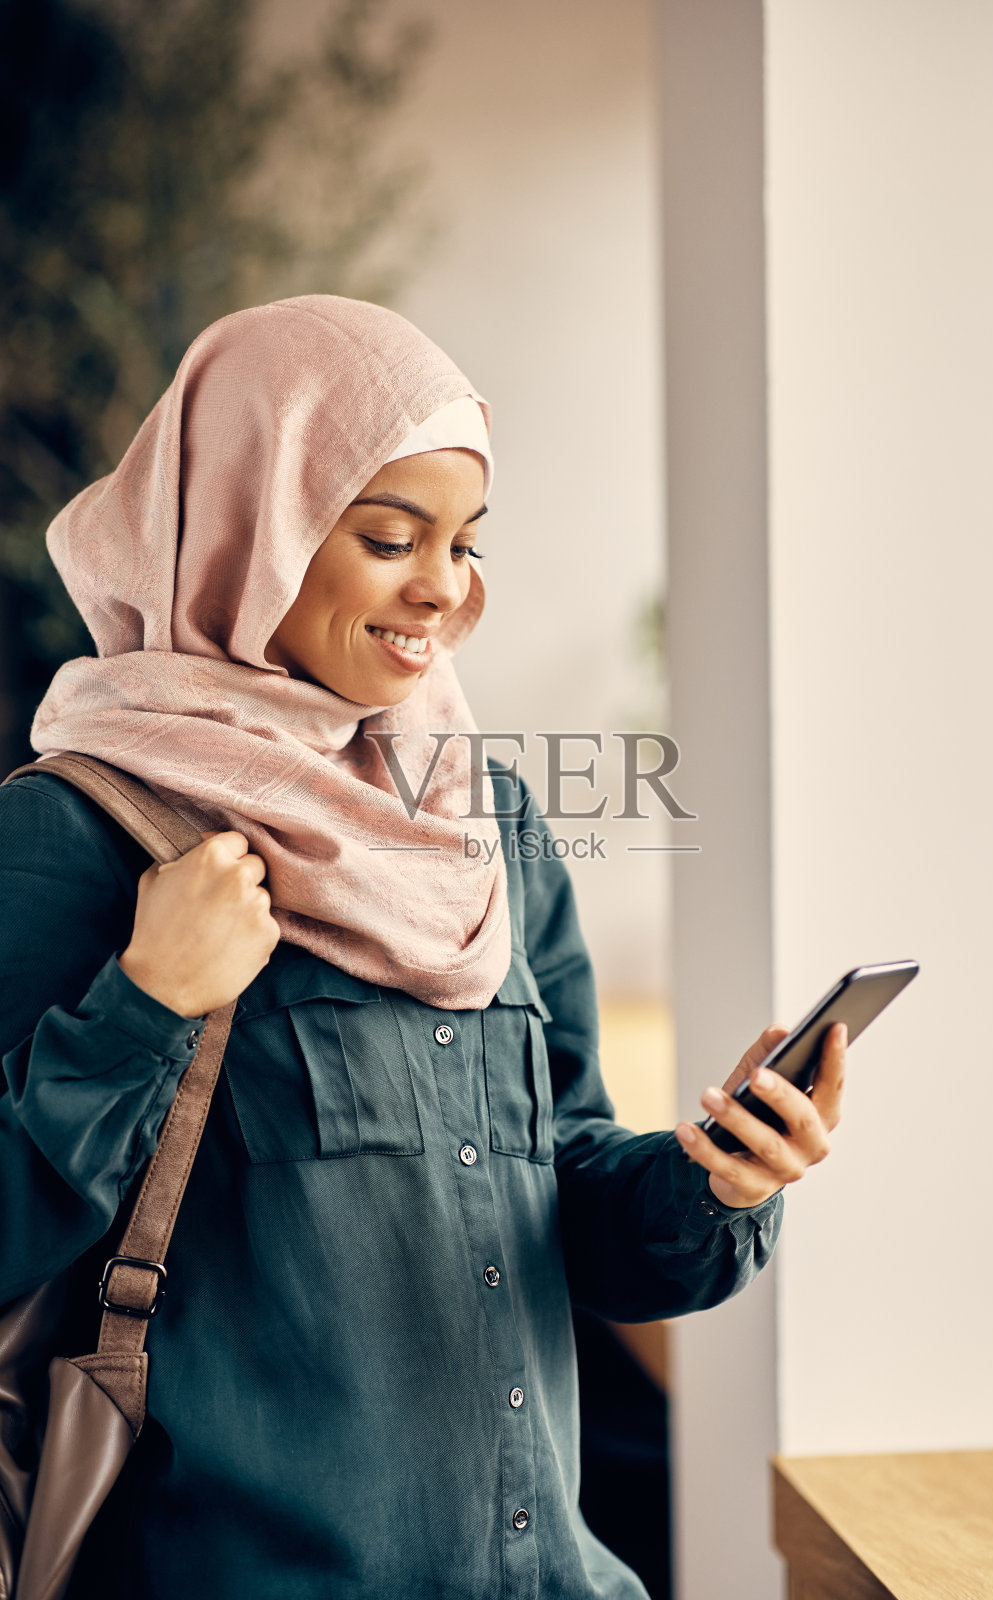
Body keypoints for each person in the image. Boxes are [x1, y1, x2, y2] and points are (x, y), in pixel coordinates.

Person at [0, 295, 847, 1600]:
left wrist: (716, 1183)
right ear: (249, 530)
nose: (445, 589)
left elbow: (561, 1185)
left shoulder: (481, 814)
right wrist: (143, 1003)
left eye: (464, 541)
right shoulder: (82, 835)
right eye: (391, 537)